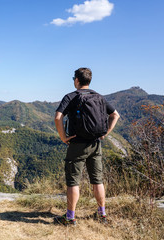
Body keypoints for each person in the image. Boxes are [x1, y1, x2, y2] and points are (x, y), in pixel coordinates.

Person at [54, 67, 120, 225]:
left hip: (77, 144)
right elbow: (115, 115)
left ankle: (70, 218)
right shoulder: (99, 97)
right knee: (97, 180)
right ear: (89, 80)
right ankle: (102, 215)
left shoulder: (71, 97)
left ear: (77, 80)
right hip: (96, 144)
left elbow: (58, 117)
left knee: (73, 182)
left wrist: (63, 137)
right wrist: (105, 133)